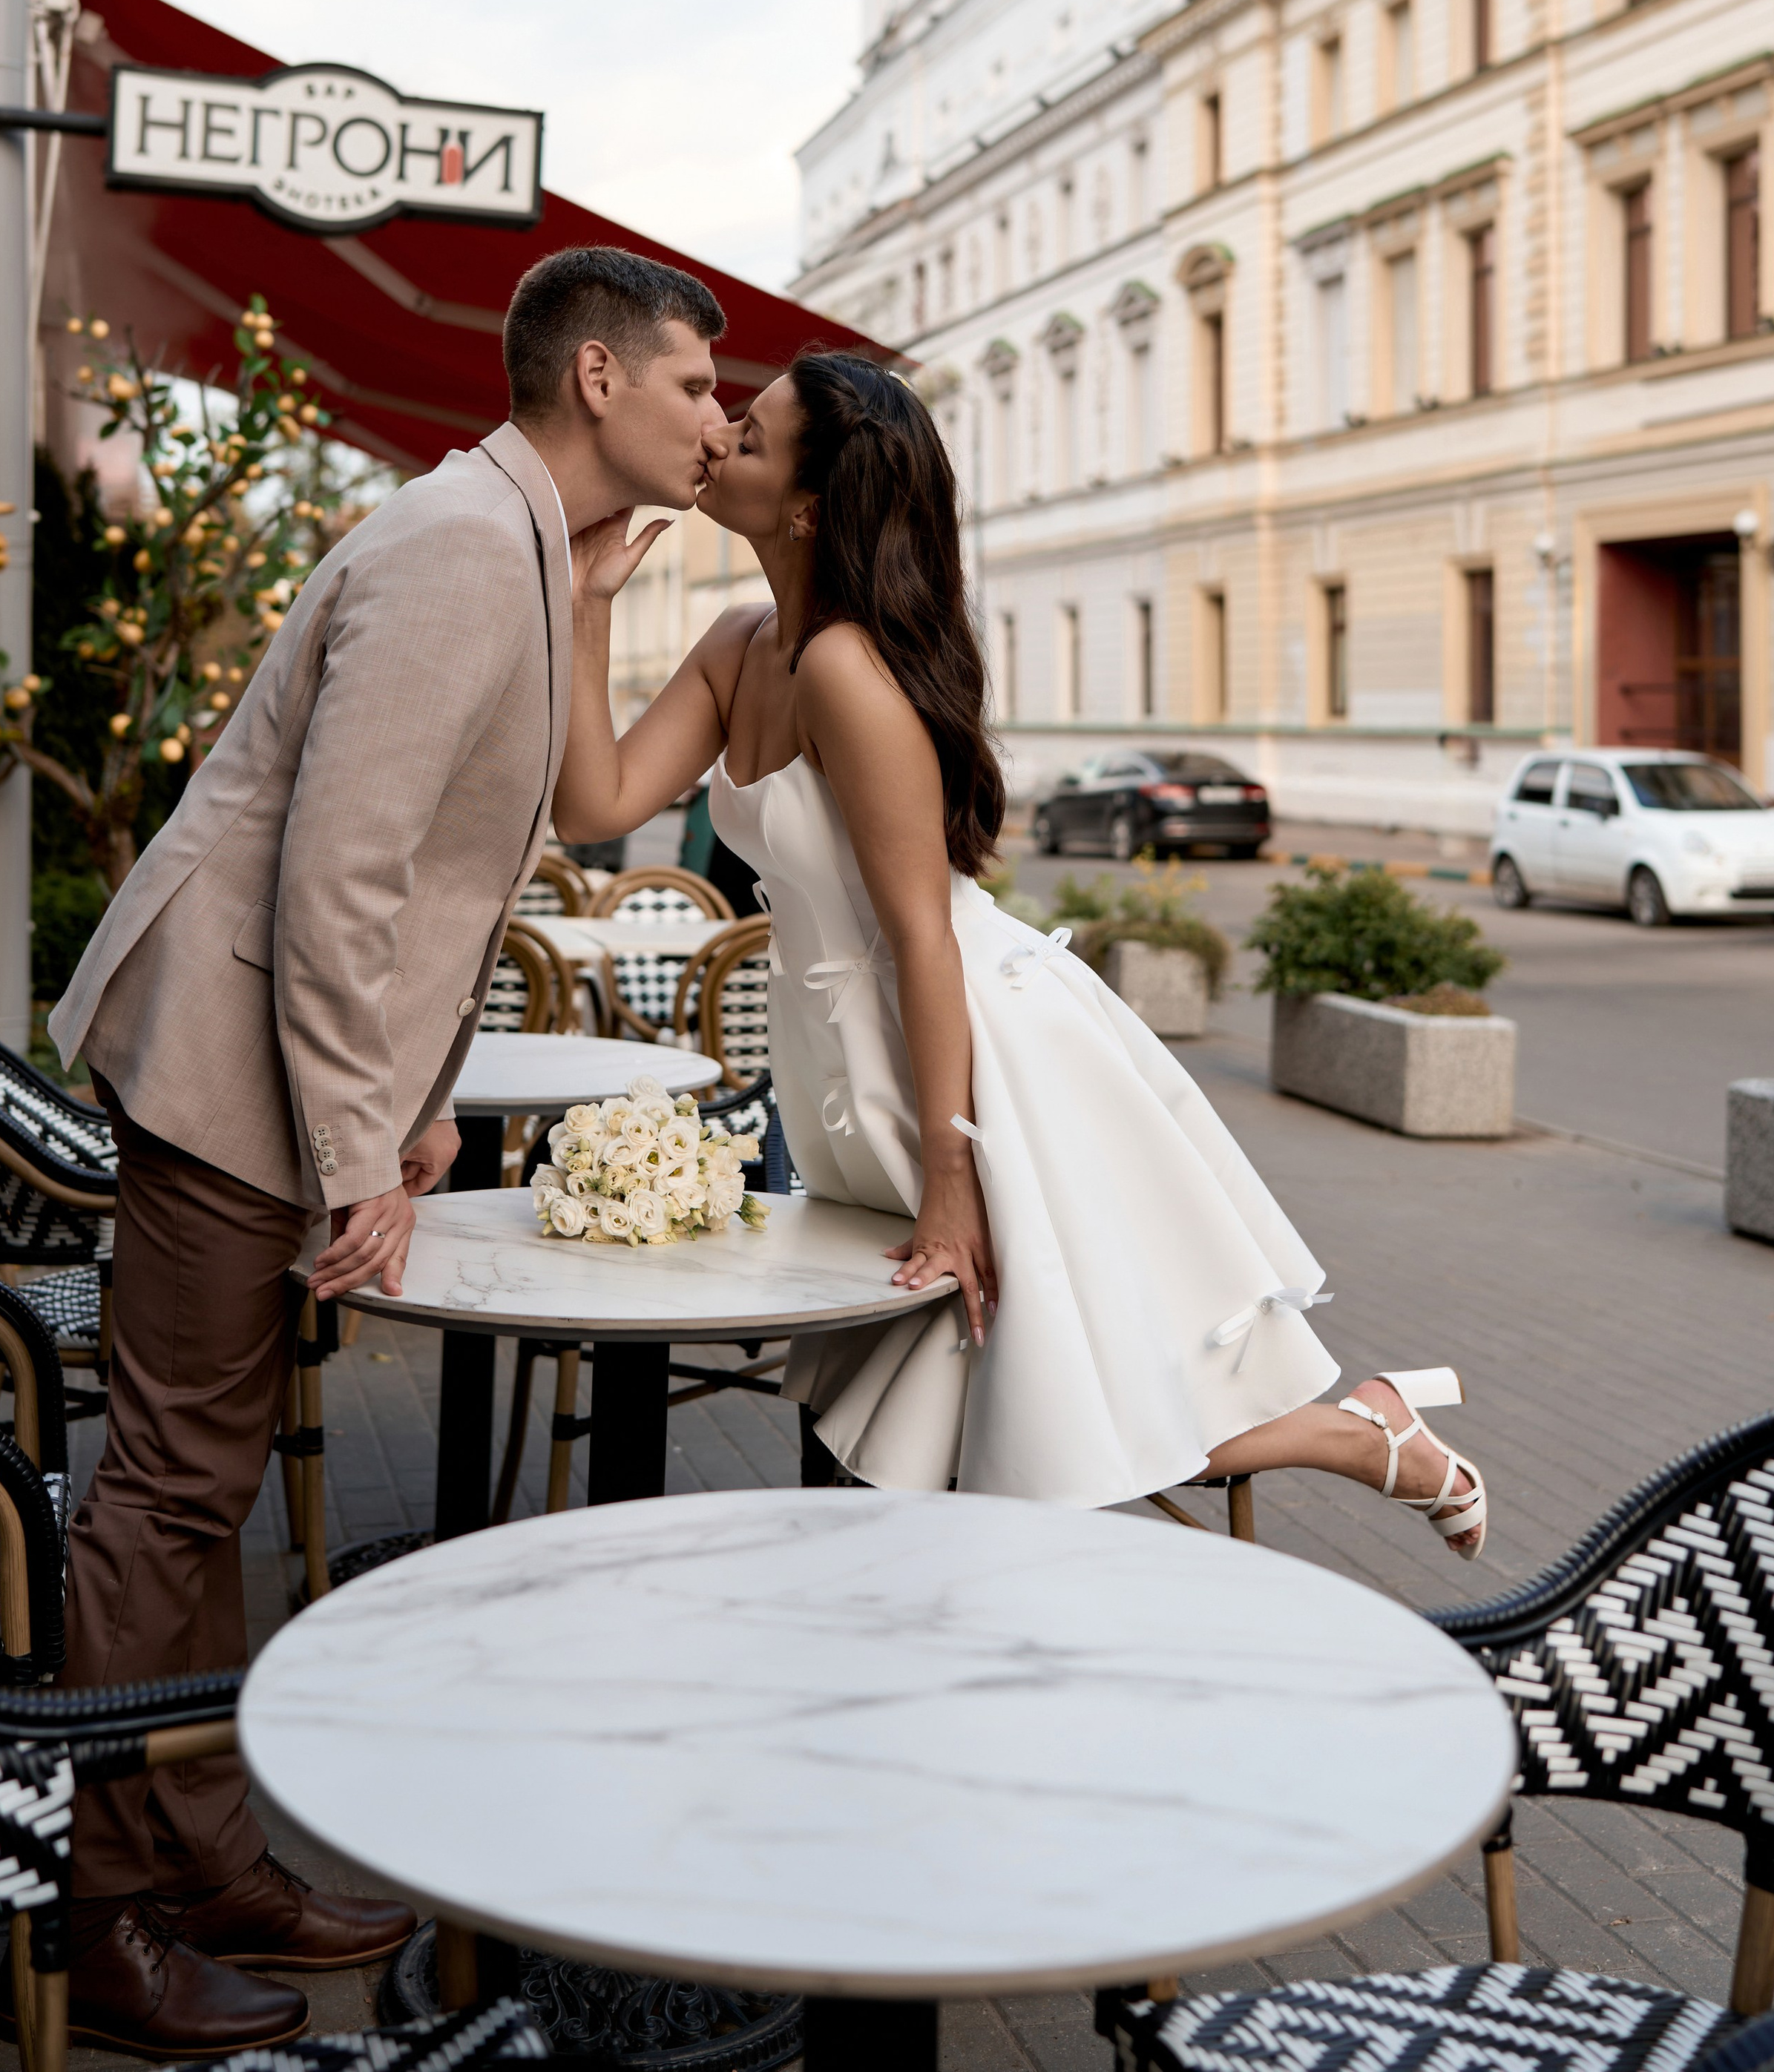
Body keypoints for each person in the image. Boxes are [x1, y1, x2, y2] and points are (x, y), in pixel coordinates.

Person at [45, 246, 727, 2061]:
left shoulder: (503, 540)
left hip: (264, 1063)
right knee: (166, 1502)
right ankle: (100, 1920)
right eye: (692, 386)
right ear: (595, 378)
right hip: (222, 1074)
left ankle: (199, 1858)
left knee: (196, 1498)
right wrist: (362, 1154)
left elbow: (422, 875)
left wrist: (401, 1105)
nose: (715, 419)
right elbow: (338, 873)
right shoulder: (448, 550)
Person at [551, 349, 1487, 1542]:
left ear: (809, 504)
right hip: (849, 1059)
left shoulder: (844, 667)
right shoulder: (741, 642)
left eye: (756, 432)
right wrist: (587, 608)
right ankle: (1366, 1429)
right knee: (1020, 1388)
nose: (721, 434)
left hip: (969, 1053)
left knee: (1041, 1392)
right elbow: (595, 807)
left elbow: (924, 939)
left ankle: (1361, 1438)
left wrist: (955, 1175)